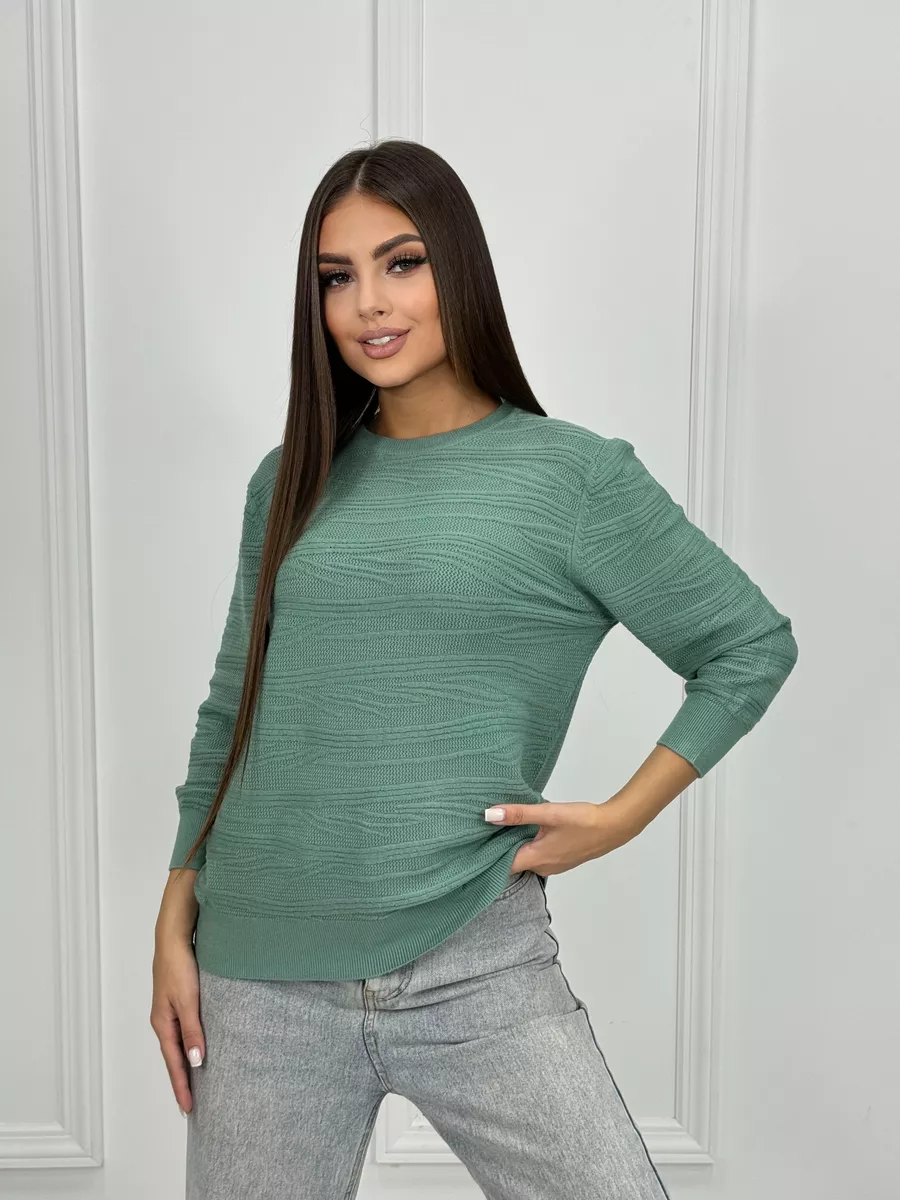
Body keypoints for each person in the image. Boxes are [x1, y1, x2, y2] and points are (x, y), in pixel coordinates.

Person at [151, 138, 798, 1199]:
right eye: (337, 277)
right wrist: (173, 917)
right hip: (258, 970)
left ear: (459, 266)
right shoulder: (291, 480)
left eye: (402, 263)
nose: (369, 303)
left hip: (476, 959)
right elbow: (233, 711)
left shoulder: (573, 479)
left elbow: (747, 645)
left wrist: (622, 817)